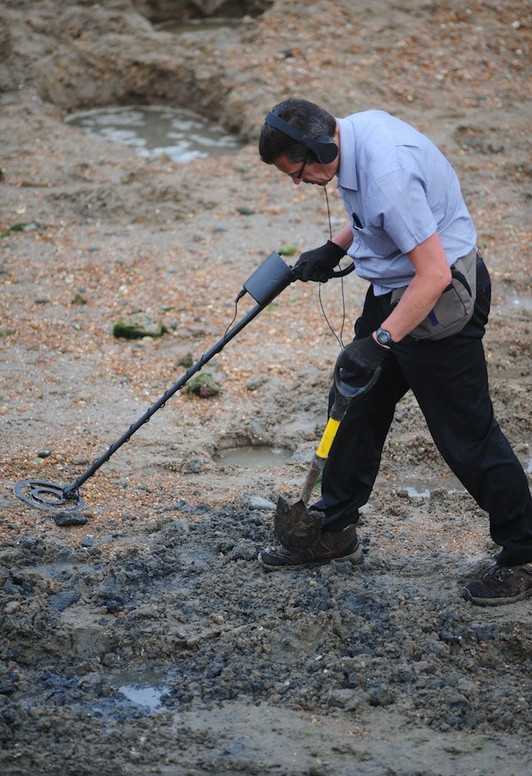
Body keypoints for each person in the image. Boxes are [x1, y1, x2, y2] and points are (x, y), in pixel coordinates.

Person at [256, 97, 532, 606]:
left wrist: (380, 341)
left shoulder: (389, 175)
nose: (298, 183)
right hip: (394, 292)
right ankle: (335, 528)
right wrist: (337, 246)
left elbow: (434, 273)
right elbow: (374, 215)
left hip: (439, 303)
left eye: (298, 173)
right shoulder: (350, 137)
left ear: (322, 148)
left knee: (466, 436)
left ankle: (524, 552)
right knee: (353, 406)